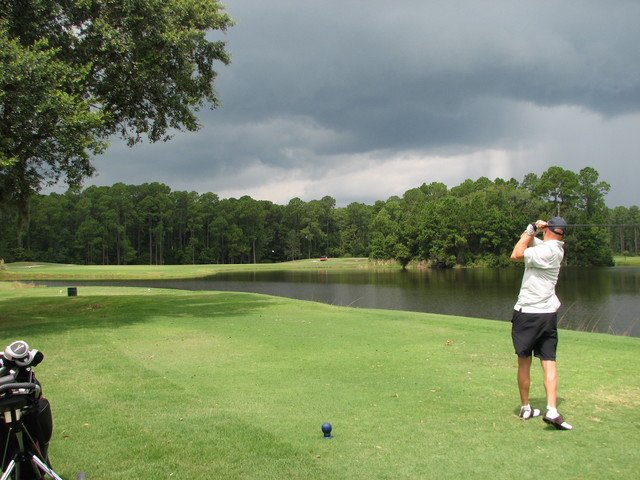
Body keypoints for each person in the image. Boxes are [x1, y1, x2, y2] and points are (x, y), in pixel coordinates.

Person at [509, 217, 573, 430]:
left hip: (527, 313)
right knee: (549, 361)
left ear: (549, 231)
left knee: (524, 362)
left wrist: (532, 229)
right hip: (547, 315)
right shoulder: (555, 249)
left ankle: (526, 407)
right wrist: (533, 231)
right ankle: (552, 409)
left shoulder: (546, 251)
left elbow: (516, 253)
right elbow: (524, 241)